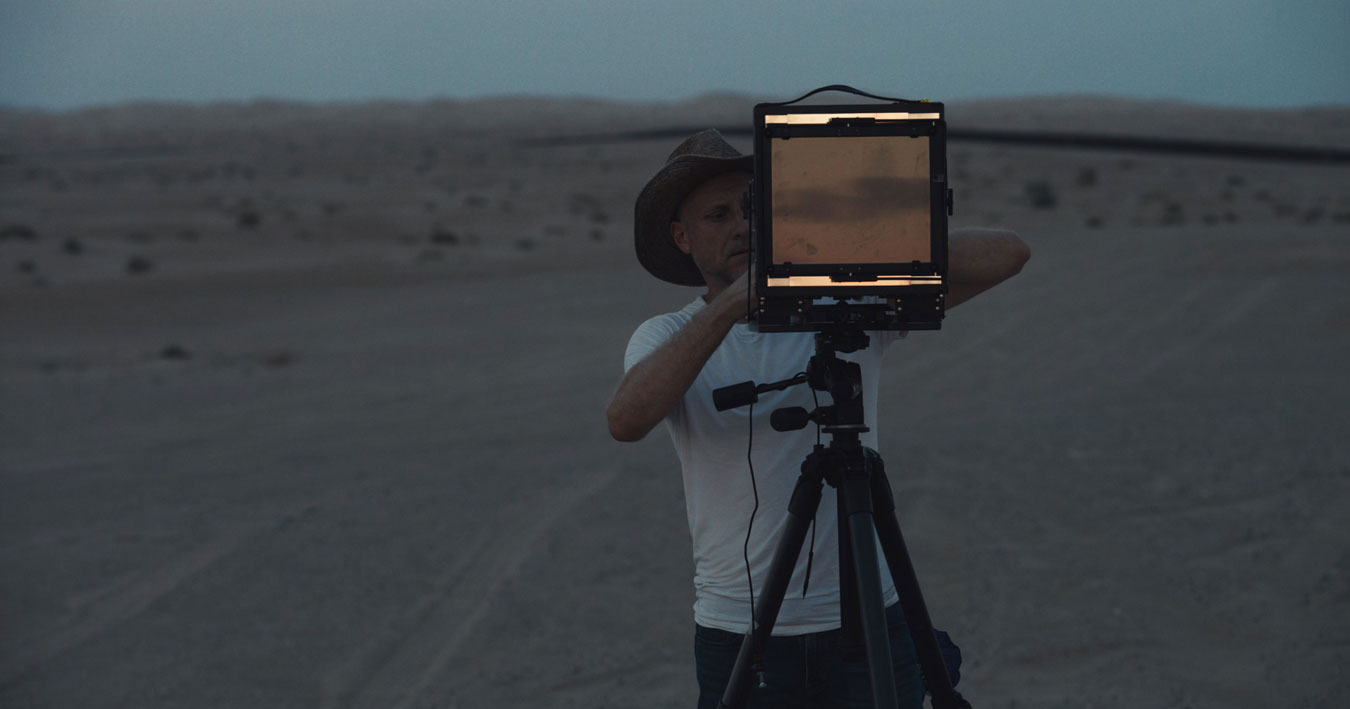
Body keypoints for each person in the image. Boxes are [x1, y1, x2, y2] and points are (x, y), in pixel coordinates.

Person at [607, 129, 1029, 708]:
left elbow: (1008, 254)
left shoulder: (842, 306)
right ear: (682, 237)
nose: (741, 226)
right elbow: (627, 420)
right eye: (717, 214)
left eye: (754, 209)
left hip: (867, 614)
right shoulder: (665, 336)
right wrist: (732, 306)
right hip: (740, 627)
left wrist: (846, 252)